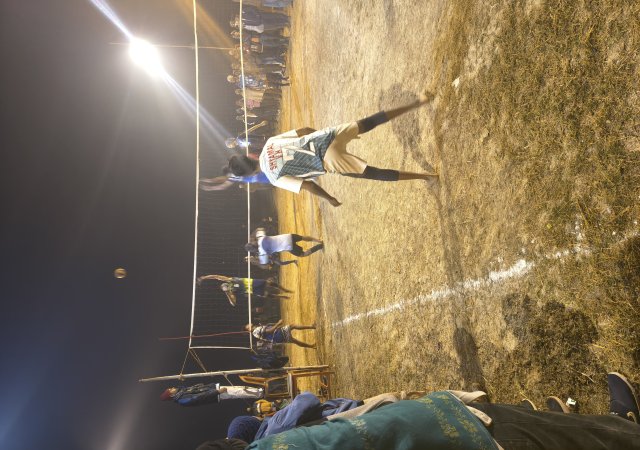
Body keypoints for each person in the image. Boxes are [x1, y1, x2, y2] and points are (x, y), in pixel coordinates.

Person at [246, 372, 640, 449]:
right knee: (537, 432)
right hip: (459, 434)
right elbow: (308, 401)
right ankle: (620, 428)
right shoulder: (269, 440)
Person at [227, 92, 438, 207]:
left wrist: (329, 198)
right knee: (369, 121)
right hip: (327, 136)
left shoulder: (274, 178)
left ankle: (426, 176)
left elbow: (308, 185)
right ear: (249, 156)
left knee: (373, 173)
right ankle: (418, 102)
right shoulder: (270, 143)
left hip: (327, 160)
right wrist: (327, 136)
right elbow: (304, 130)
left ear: (250, 174)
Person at [197, 274, 292, 306]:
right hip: (252, 290)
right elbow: (233, 303)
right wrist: (227, 293)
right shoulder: (230, 292)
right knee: (268, 295)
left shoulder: (229, 280)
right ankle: (283, 296)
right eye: (223, 288)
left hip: (252, 282)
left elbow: (215, 276)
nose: (224, 286)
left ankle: (285, 289)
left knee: (269, 283)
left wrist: (204, 277)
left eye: (223, 285)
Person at [244, 230, 323, 265]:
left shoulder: (262, 252)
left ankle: (319, 246)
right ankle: (319, 241)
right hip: (287, 236)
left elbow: (264, 262)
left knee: (303, 254)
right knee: (303, 237)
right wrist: (254, 236)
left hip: (288, 246)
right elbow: (260, 230)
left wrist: (253, 260)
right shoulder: (260, 238)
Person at [160, 383, 263, 406]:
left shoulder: (181, 392)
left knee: (238, 389)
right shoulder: (182, 399)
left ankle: (258, 391)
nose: (172, 388)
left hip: (214, 389)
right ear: (171, 395)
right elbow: (199, 397)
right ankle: (259, 393)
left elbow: (187, 389)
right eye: (170, 389)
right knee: (238, 392)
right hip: (216, 393)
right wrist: (217, 392)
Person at [245, 320, 316, 348]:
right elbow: (269, 331)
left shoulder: (255, 332)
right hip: (278, 335)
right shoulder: (256, 331)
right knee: (292, 326)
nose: (248, 324)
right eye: (247, 326)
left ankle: (311, 346)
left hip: (277, 337)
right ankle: (312, 327)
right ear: (249, 329)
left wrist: (277, 327)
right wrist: (278, 323)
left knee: (294, 341)